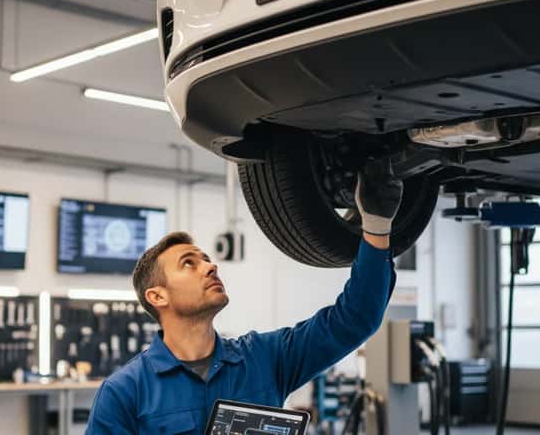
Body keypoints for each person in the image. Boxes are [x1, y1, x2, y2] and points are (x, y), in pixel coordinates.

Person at [85, 158, 404, 434]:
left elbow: (356, 319)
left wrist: (376, 224)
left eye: (206, 258)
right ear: (157, 296)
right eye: (189, 264)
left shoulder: (265, 358)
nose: (210, 266)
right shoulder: (125, 392)